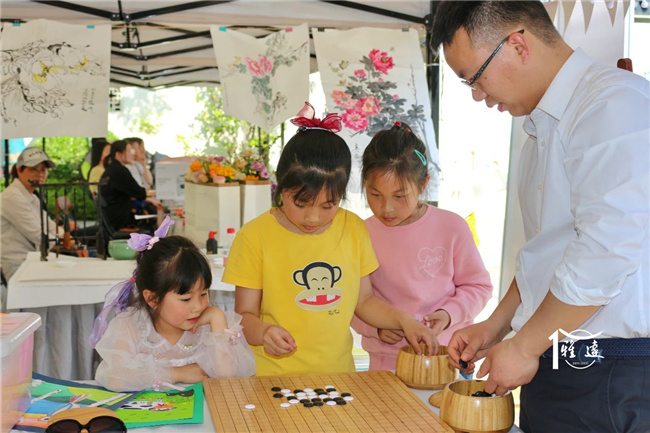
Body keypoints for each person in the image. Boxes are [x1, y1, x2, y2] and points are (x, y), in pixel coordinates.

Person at [431, 2, 649, 432]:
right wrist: (496, 326)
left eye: (475, 77)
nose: (477, 94)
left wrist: (525, 346)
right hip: (556, 359)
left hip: (612, 372)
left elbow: (603, 254)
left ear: (517, 45)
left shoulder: (613, 104)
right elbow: (549, 254)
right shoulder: (542, 126)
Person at [223, 102, 437, 377]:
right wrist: (264, 332)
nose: (313, 217)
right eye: (300, 203)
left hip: (339, 377)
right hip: (271, 378)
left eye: (328, 205)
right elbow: (244, 316)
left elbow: (364, 301)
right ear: (280, 185)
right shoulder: (254, 236)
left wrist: (404, 321)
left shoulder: (353, 228)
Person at [351, 121, 493, 371]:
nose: (387, 208)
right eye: (375, 195)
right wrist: (375, 328)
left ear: (423, 184)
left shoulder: (452, 227)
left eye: (399, 196)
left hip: (447, 356)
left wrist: (448, 314)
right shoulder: (360, 233)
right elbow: (352, 300)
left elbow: (479, 286)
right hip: (387, 361)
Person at [90, 217, 255, 392]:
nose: (198, 307)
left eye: (203, 294)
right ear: (153, 299)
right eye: (186, 299)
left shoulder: (210, 328)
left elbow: (227, 376)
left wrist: (217, 319)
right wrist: (177, 373)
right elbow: (115, 378)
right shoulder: (131, 326)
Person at [1, 147, 61, 280]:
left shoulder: (32, 197)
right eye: (33, 169)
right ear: (19, 171)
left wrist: (67, 239)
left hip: (34, 261)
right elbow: (37, 235)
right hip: (18, 266)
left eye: (43, 170)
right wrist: (63, 243)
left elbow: (50, 226)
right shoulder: (12, 196)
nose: (40, 174)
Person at [99, 140, 163, 232]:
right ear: (118, 154)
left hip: (112, 218)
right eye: (128, 151)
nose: (132, 154)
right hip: (121, 220)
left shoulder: (111, 169)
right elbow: (139, 192)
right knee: (156, 212)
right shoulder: (120, 171)